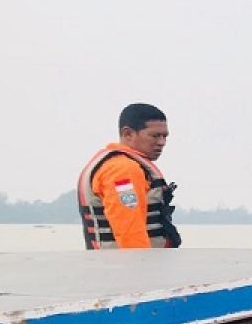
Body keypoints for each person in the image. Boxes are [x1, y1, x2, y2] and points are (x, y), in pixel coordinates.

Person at [77, 103, 181, 249]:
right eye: (155, 136)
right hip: (125, 267)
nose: (162, 142)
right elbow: (130, 231)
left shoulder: (115, 165)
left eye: (165, 136)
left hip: (112, 267)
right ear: (128, 134)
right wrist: (139, 268)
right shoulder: (123, 170)